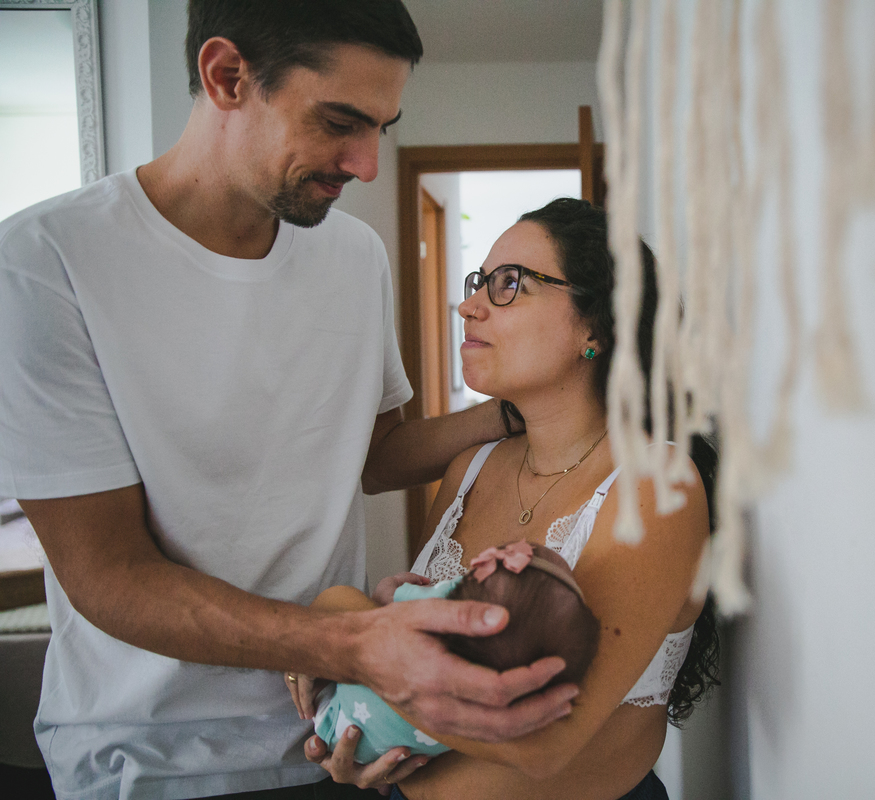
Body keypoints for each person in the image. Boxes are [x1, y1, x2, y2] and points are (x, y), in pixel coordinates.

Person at [0, 2, 575, 798]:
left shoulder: (355, 256)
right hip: (147, 757)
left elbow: (374, 455)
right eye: (340, 122)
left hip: (336, 734)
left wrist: (509, 413)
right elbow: (110, 575)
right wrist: (357, 645)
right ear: (227, 76)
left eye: (381, 128)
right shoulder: (44, 263)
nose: (367, 164)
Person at [303, 198, 722, 799]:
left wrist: (340, 636)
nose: (469, 306)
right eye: (479, 282)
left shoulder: (655, 487)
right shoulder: (469, 471)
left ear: (596, 326)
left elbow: (543, 744)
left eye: (509, 284)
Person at [307, 540, 601, 764]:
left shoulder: (448, 604)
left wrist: (391, 588)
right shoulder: (511, 702)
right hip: (377, 752)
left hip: (338, 715)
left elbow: (388, 598)